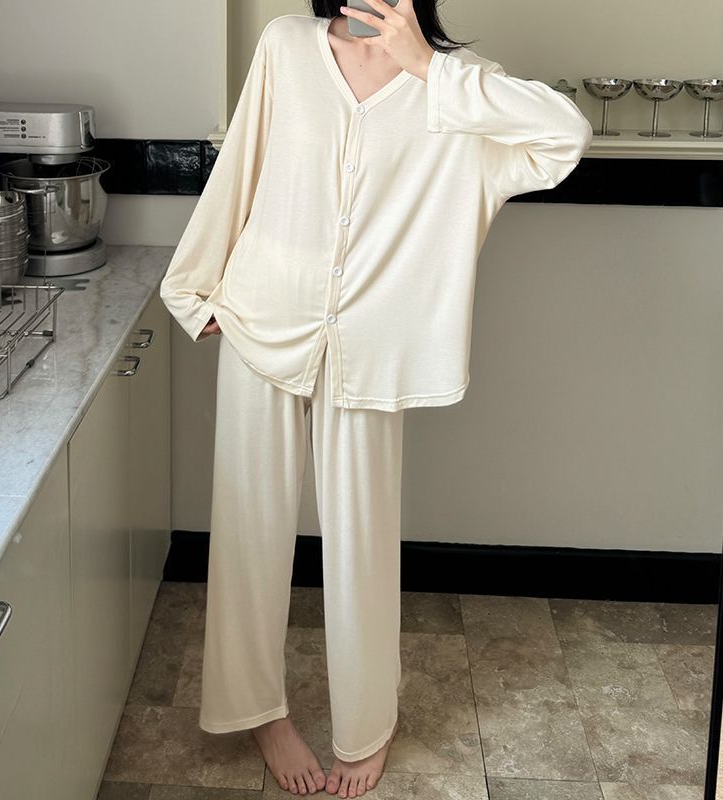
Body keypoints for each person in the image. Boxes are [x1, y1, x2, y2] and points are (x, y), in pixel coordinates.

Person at [159, 1, 594, 796]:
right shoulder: (287, 45)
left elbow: (565, 135)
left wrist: (427, 66)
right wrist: (196, 287)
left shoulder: (459, 84)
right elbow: (242, 164)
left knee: (362, 540)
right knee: (248, 526)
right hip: (263, 320)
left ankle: (367, 724)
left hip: (370, 350)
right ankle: (261, 712)